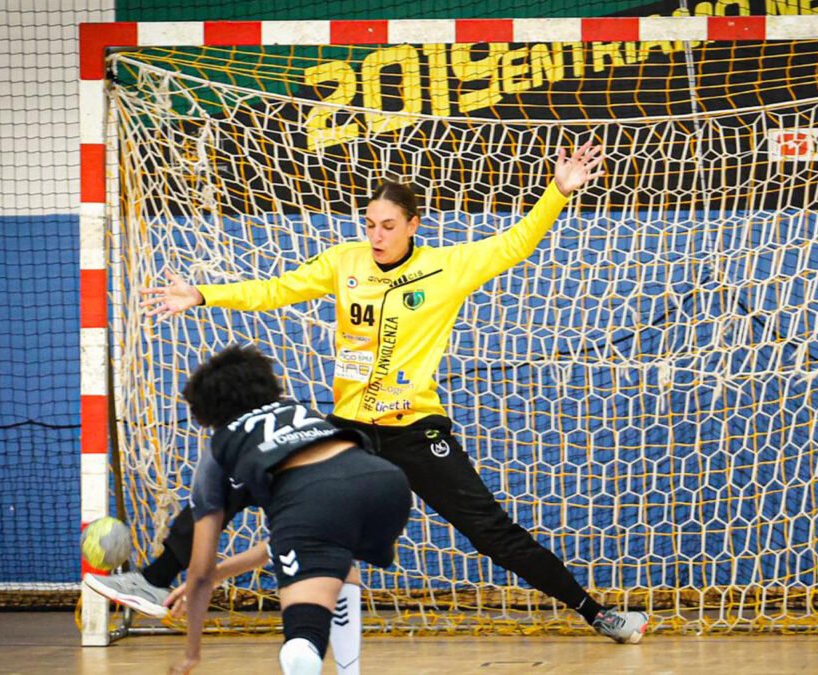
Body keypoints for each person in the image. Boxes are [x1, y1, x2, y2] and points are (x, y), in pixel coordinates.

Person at [89, 140, 648, 645]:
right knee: (237, 481)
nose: (375, 235)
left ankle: (596, 613)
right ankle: (153, 579)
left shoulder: (446, 268)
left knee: (492, 533)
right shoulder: (344, 262)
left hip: (414, 430)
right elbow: (277, 289)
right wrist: (204, 295)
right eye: (369, 224)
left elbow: (516, 242)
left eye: (386, 225)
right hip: (348, 432)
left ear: (413, 225)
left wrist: (556, 191)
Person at [168, 344, 411, 674]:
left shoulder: (219, 450)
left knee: (302, 642)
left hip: (316, 502)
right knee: (334, 554)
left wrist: (191, 654)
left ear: (206, 412)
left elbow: (199, 571)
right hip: (387, 483)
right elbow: (291, 541)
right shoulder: (298, 412)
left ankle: (305, 650)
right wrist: (221, 574)